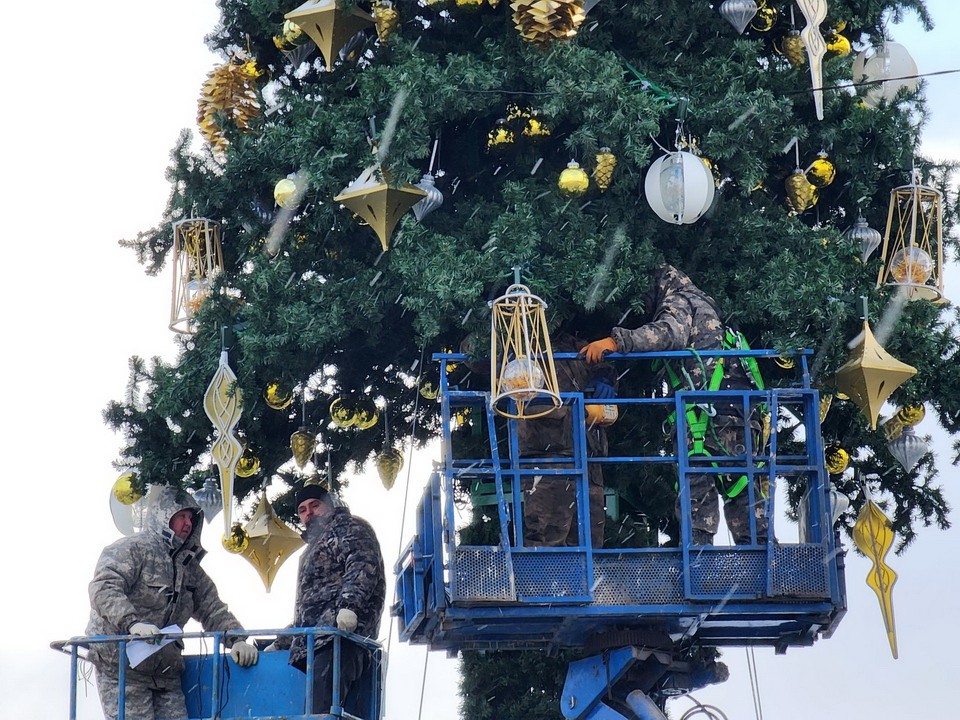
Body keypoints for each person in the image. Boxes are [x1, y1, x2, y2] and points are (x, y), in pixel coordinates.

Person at [582, 264, 768, 546]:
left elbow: (667, 334)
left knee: (698, 495)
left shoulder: (680, 301)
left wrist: (616, 342)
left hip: (706, 418)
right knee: (743, 493)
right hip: (738, 414)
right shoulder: (708, 307)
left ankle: (699, 568)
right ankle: (766, 564)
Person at [87, 486, 258, 720]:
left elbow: (211, 607)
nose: (187, 523)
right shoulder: (131, 550)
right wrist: (132, 624)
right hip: (121, 670)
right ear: (163, 517)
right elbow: (104, 588)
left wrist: (236, 640)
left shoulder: (190, 568)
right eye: (181, 516)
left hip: (165, 674)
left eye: (191, 518)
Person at [266, 483, 385, 716]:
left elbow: (362, 563)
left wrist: (349, 606)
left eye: (314, 505)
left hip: (341, 638)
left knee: (321, 710)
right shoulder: (311, 548)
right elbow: (308, 610)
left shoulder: (348, 527)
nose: (309, 513)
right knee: (317, 709)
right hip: (318, 641)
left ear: (329, 505)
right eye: (302, 510)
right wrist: (281, 642)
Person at [516, 331, 617, 548]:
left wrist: (605, 378)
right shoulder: (521, 341)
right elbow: (475, 353)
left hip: (589, 460)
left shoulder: (575, 342)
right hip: (548, 461)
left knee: (590, 543)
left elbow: (602, 365)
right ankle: (546, 582)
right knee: (546, 542)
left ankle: (586, 583)